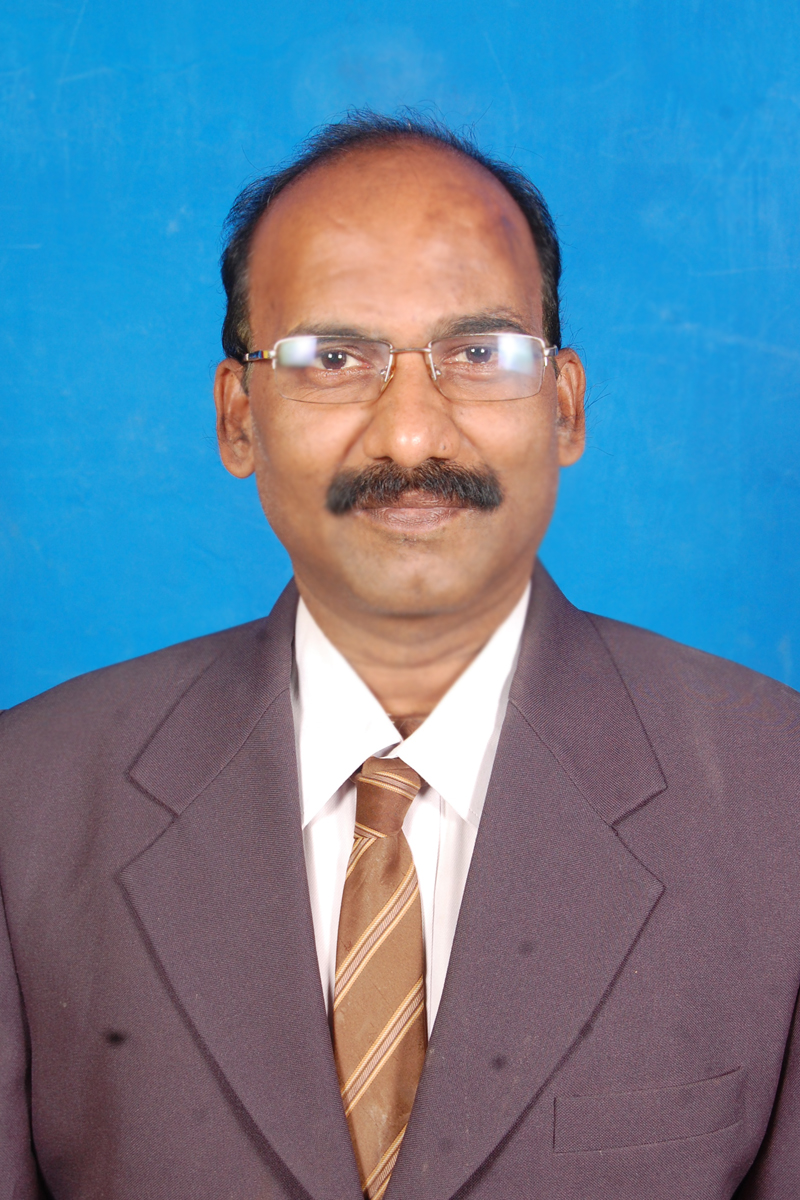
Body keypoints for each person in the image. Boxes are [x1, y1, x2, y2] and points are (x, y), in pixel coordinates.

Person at [0, 112, 798, 1200]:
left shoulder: (776, 796)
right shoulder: (29, 802)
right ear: (238, 418)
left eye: (479, 354)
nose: (412, 436)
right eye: (333, 359)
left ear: (564, 406)